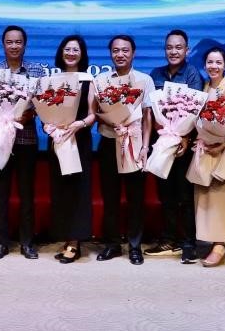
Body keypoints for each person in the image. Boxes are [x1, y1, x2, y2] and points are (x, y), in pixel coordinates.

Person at [0, 25, 48, 260]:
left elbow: (43, 104)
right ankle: (0, 244)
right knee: (1, 194)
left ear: (24, 44)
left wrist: (28, 115)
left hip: (26, 139)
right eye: (9, 42)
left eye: (18, 42)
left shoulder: (36, 71)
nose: (14, 46)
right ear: (3, 44)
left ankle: (27, 243)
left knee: (26, 194)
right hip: (0, 140)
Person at [94, 34, 153, 265]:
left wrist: (145, 147)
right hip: (109, 142)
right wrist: (111, 120)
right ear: (111, 54)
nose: (120, 54)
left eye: (125, 50)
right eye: (116, 50)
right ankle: (112, 244)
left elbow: (147, 116)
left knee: (135, 199)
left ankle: (135, 246)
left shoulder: (144, 80)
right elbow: (96, 112)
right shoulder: (101, 80)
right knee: (110, 198)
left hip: (135, 144)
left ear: (133, 53)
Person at [146, 29, 203, 263]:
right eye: (169, 47)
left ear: (187, 50)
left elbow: (196, 111)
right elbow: (152, 109)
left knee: (185, 196)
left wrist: (185, 138)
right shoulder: (155, 74)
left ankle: (189, 243)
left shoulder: (192, 74)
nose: (174, 51)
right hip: (161, 142)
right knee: (166, 195)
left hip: (183, 146)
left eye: (178, 47)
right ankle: (169, 240)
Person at [46, 36, 96, 264]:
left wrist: (80, 124)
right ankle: (67, 237)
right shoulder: (52, 80)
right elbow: (45, 108)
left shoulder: (88, 80)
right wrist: (47, 125)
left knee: (78, 190)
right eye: (67, 49)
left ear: (82, 54)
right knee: (61, 190)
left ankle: (75, 242)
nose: (71, 53)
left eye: (76, 49)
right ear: (61, 52)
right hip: (58, 139)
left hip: (79, 139)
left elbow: (93, 114)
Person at [194, 47, 225, 268]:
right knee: (203, 196)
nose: (214, 66)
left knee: (220, 196)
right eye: (210, 62)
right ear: (205, 65)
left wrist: (224, 141)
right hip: (203, 147)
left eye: (218, 62)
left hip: (224, 150)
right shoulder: (202, 88)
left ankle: (220, 245)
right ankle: (208, 240)